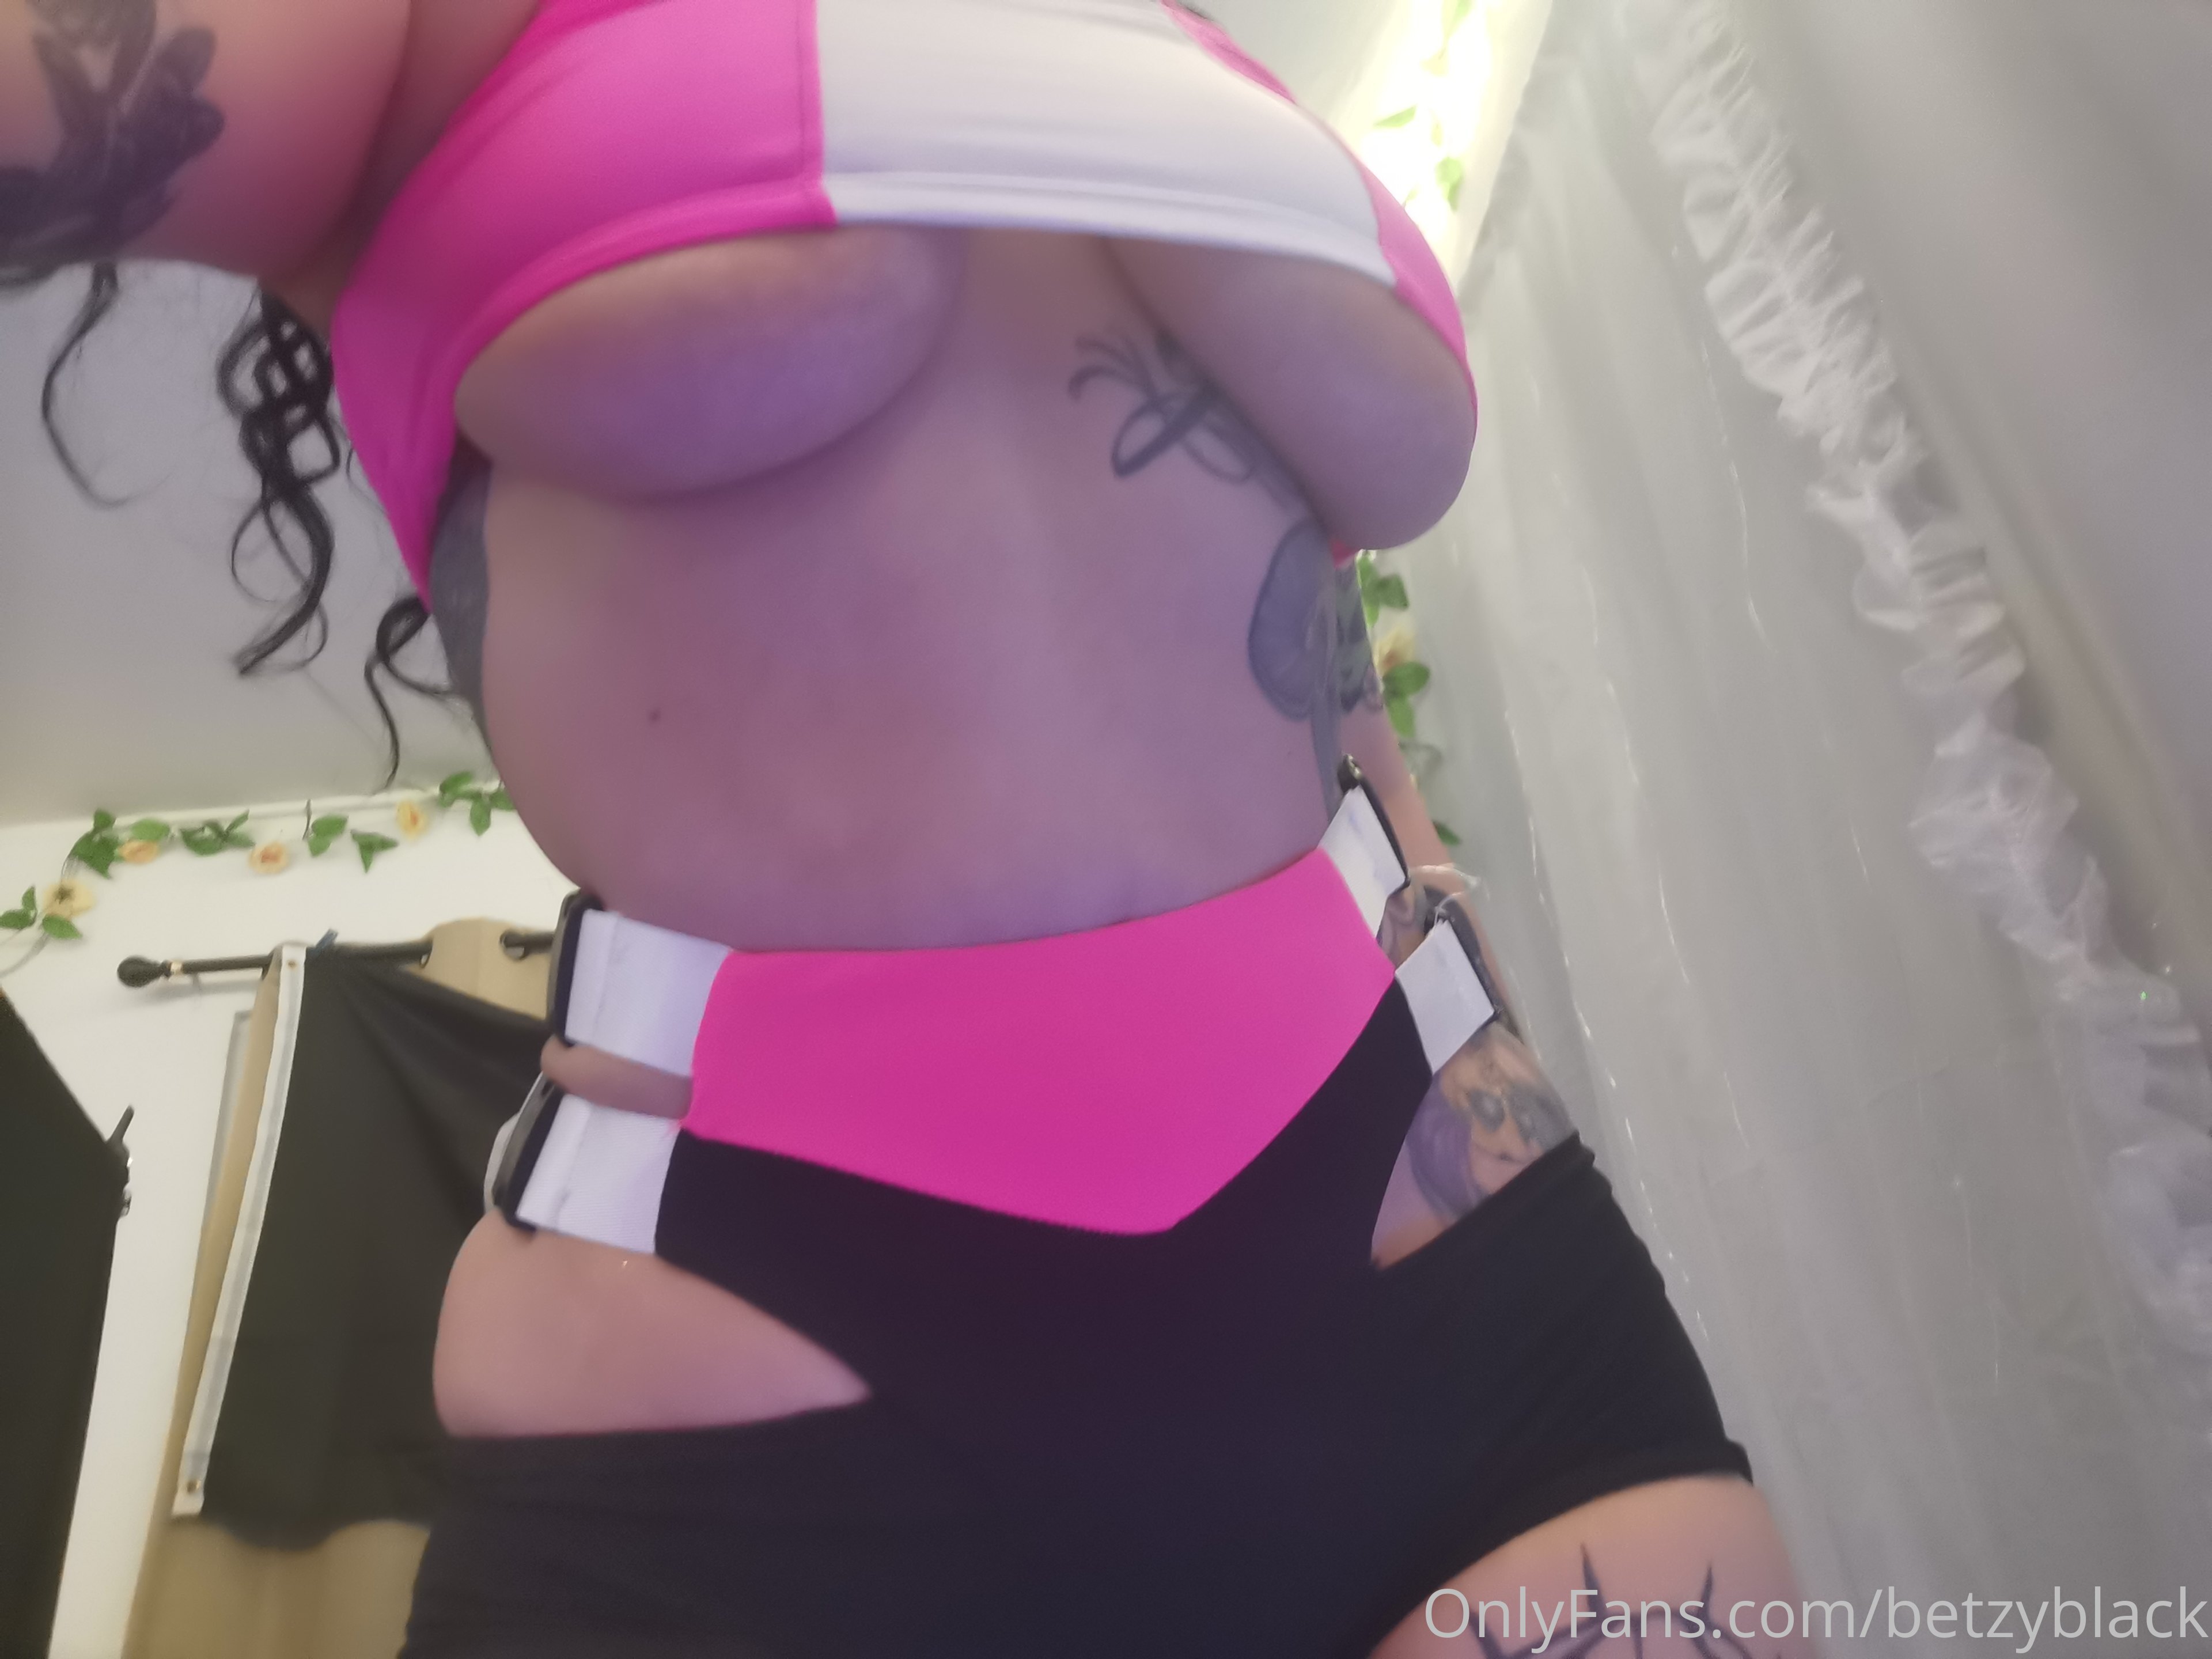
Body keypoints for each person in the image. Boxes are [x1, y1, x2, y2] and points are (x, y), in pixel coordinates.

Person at [4, 0, 1811, 1652]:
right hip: (771, 1403)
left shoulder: (1151, 35)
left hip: (1432, 1255)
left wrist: (1457, 957)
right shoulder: (450, 39)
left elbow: (1314, 637)